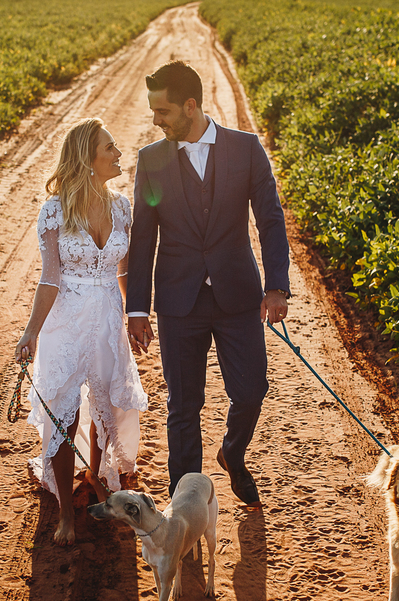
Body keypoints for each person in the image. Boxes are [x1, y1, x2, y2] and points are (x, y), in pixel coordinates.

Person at [126, 60, 291, 507]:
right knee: (184, 407)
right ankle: (185, 504)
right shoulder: (151, 159)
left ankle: (232, 455)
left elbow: (271, 221)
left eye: (162, 111)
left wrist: (277, 285)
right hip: (179, 301)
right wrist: (137, 308)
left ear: (191, 106)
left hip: (237, 295)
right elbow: (143, 238)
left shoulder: (245, 149)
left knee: (252, 390)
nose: (155, 120)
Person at [16, 118, 148, 544]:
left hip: (108, 315)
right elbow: (50, 278)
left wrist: (138, 316)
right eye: (110, 147)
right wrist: (31, 332)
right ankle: (64, 516)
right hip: (66, 321)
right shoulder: (55, 210)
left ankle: (94, 476)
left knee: (108, 403)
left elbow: (124, 270)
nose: (119, 154)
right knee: (64, 412)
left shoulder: (122, 206)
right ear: (88, 159)